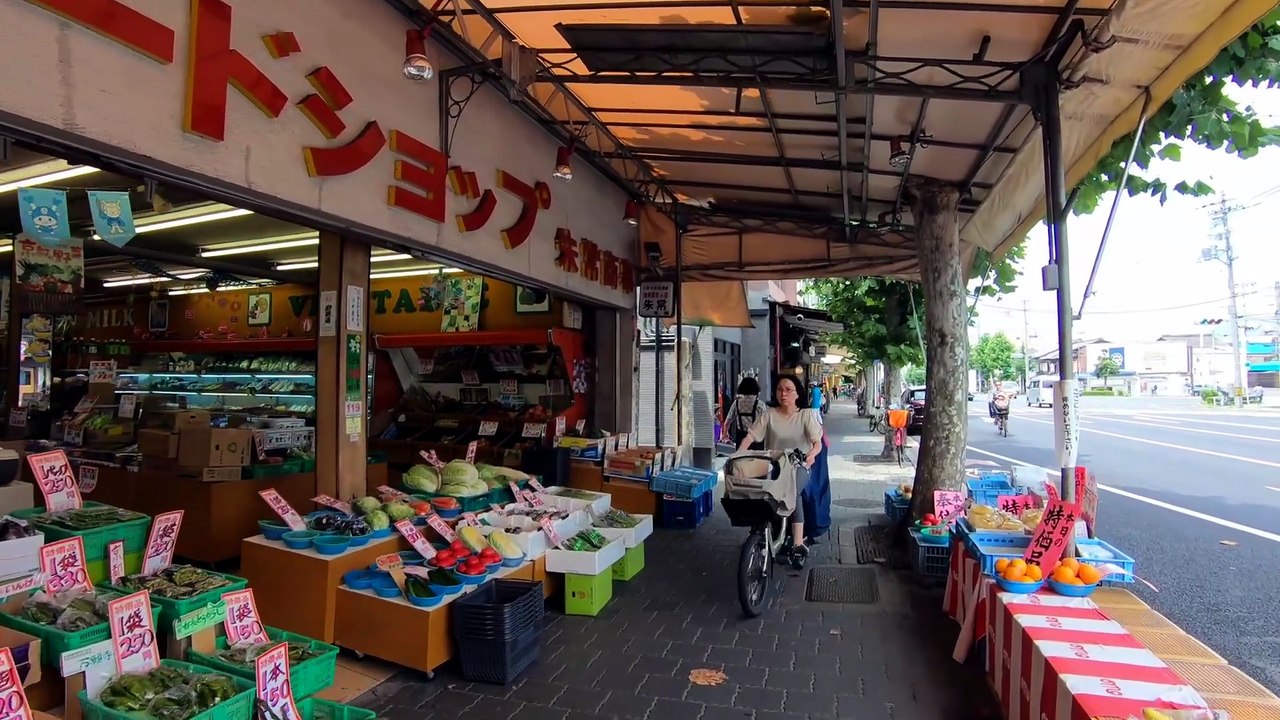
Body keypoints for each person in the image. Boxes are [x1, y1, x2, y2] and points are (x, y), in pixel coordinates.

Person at [738, 374, 823, 558]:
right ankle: (759, 530)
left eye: (788, 390)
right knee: (752, 485)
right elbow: (751, 436)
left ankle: (798, 542)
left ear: (797, 394)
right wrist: (739, 454)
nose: (783, 393)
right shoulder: (768, 414)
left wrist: (812, 454)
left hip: (798, 465)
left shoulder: (806, 415)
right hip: (772, 464)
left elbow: (817, 443)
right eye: (779, 389)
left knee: (793, 490)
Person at [723, 377, 767, 449]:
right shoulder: (760, 404)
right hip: (756, 439)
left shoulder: (736, 403)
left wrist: (725, 434)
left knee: (741, 459)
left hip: (741, 439)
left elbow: (727, 421)